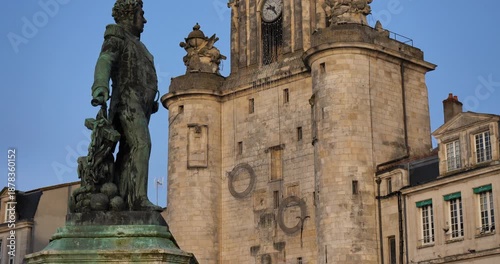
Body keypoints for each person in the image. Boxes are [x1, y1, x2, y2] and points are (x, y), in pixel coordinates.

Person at [91, 0, 161, 211]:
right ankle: (139, 199)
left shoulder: (139, 45)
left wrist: (151, 102)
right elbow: (105, 59)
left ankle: (126, 199)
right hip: (126, 102)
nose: (144, 19)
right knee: (142, 144)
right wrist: (100, 86)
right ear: (130, 14)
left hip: (140, 106)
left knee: (128, 152)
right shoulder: (117, 34)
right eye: (141, 14)